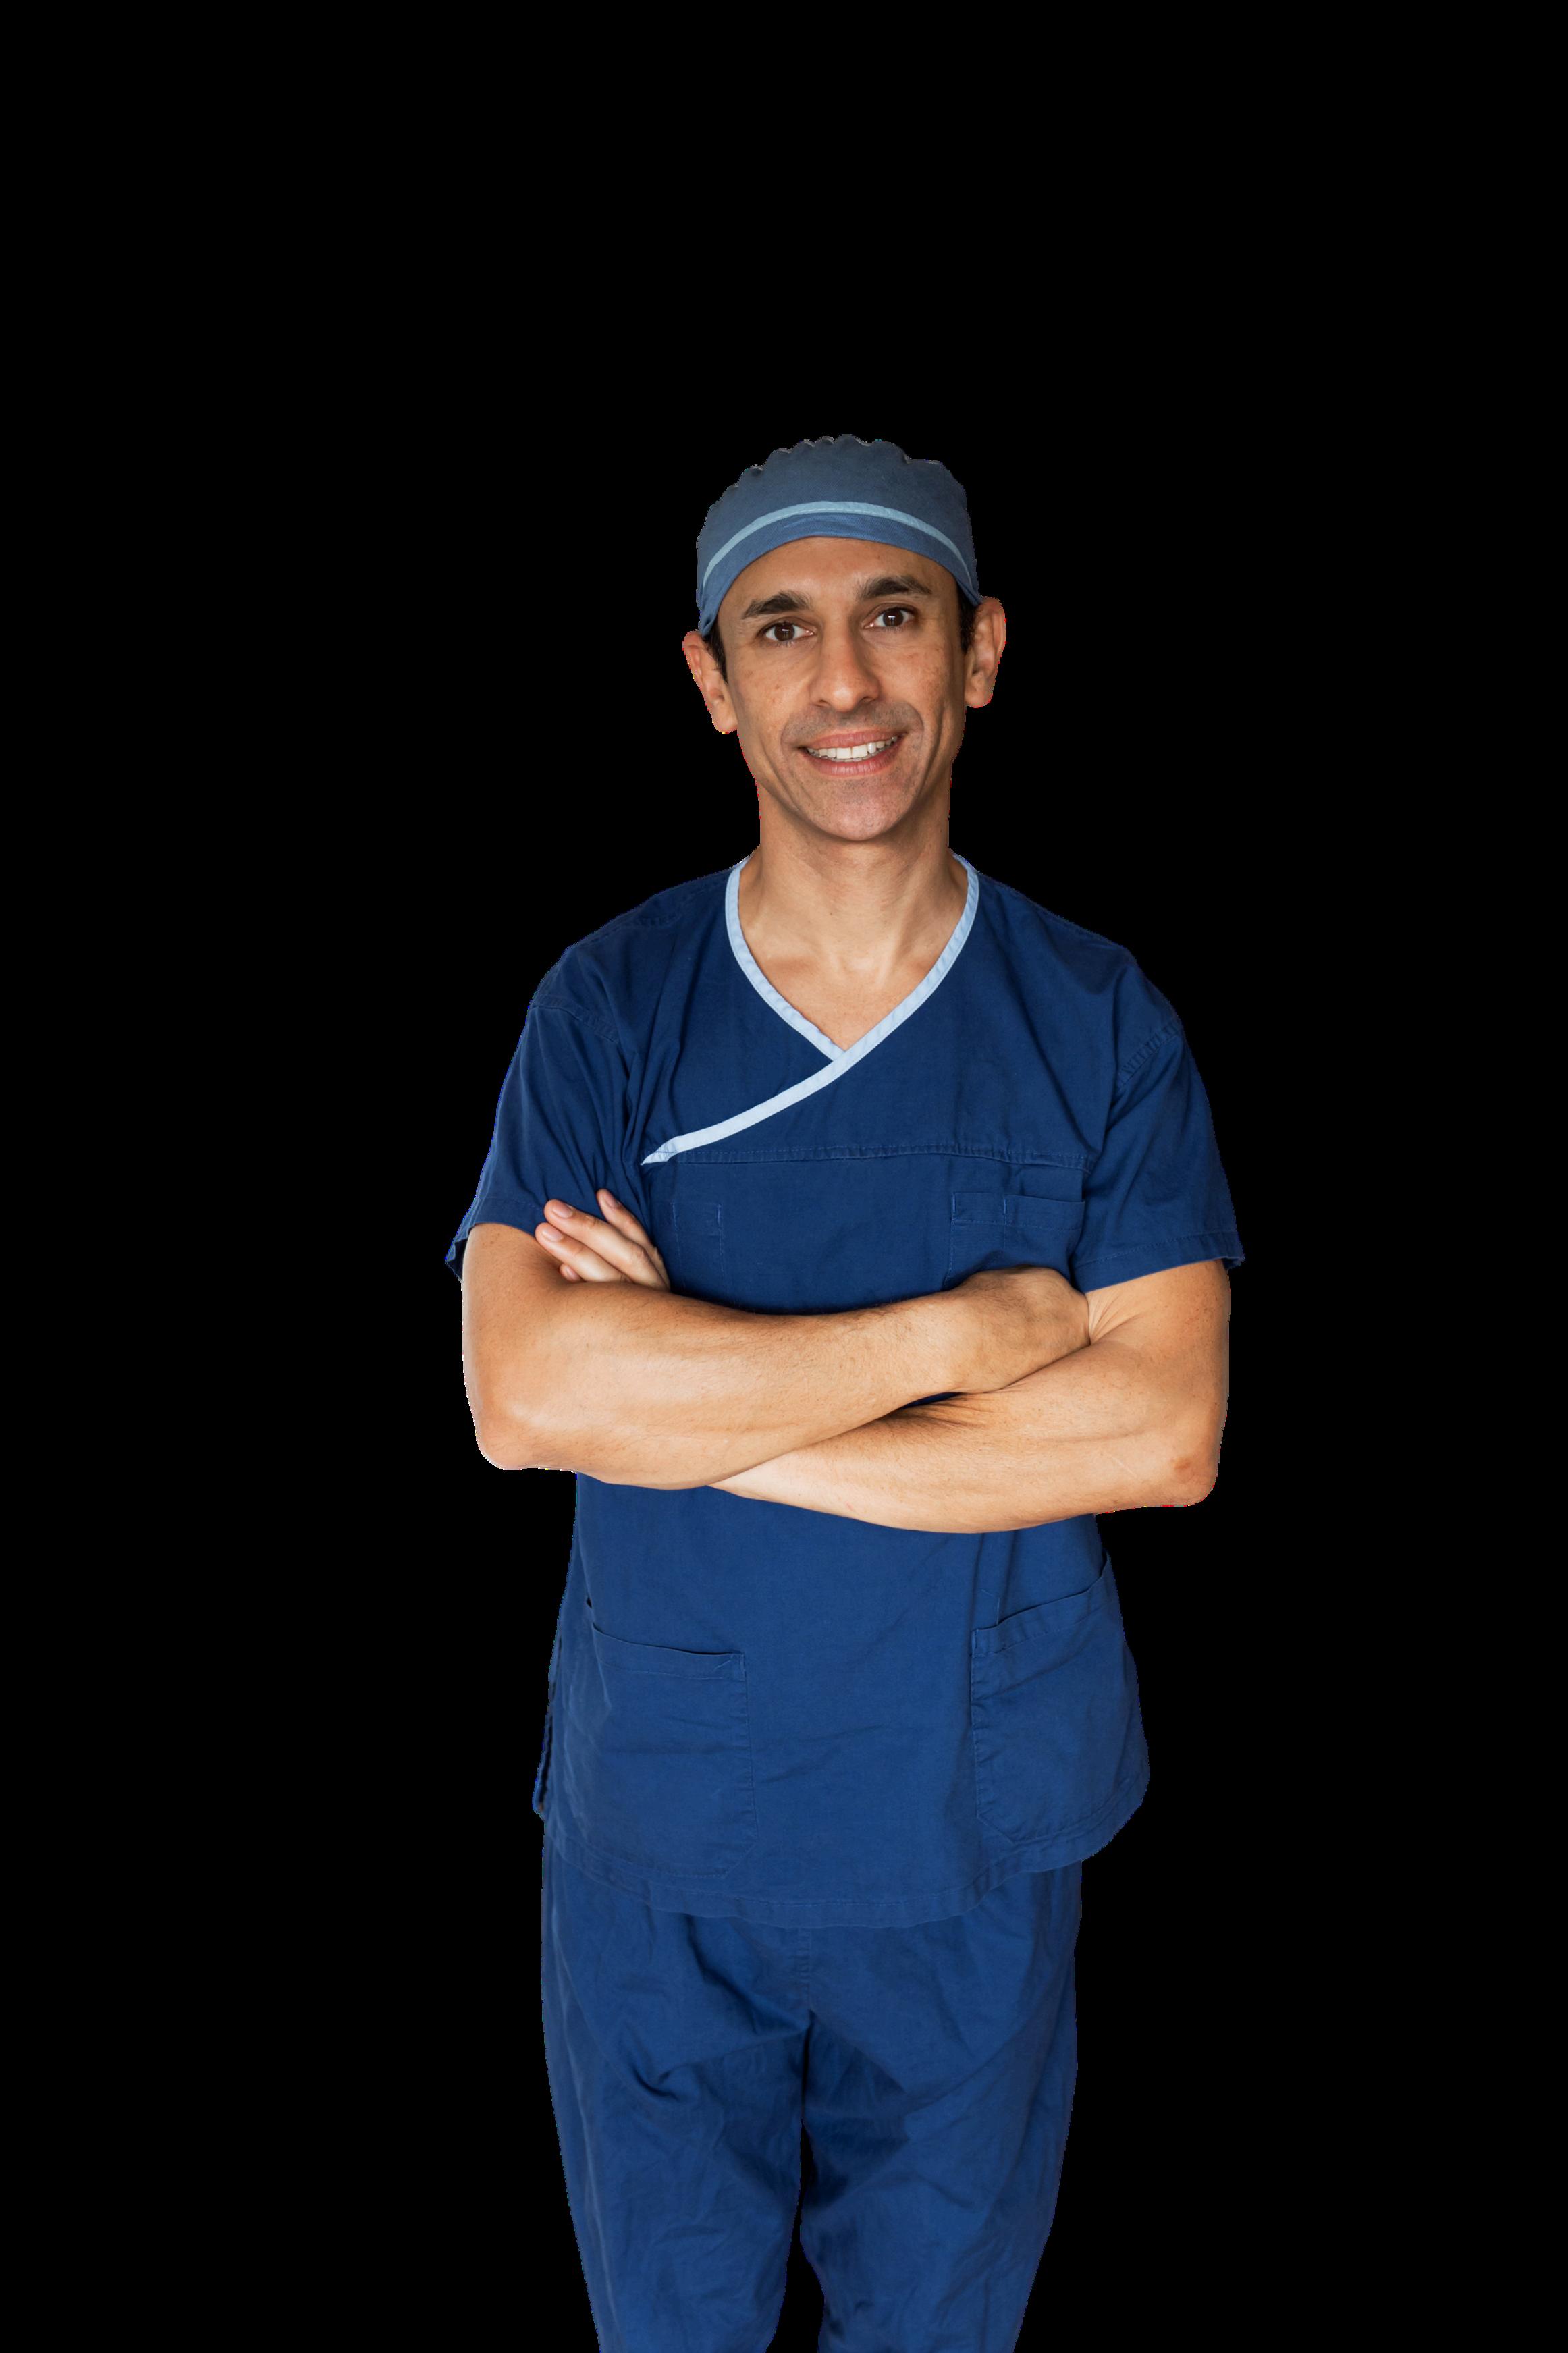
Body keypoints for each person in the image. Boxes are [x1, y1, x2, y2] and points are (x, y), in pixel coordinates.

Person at [446, 435, 1243, 2351]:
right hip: (665, 1842)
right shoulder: (610, 1008)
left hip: (971, 1840)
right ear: (712, 681)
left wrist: (692, 1397)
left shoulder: (1097, 1022)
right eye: (779, 630)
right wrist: (970, 1337)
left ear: (980, 650)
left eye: (893, 616)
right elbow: (523, 1396)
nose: (844, 683)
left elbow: (1161, 1434)